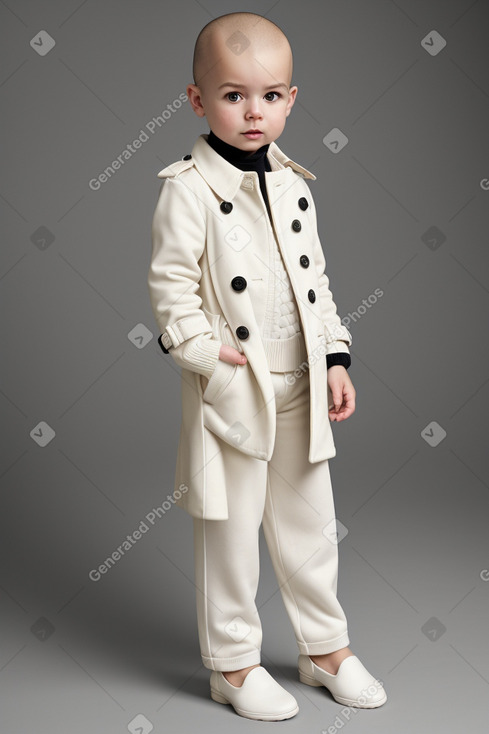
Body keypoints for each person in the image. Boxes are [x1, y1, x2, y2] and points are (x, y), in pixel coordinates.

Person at [148, 11, 387, 721]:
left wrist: (335, 355)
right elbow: (170, 290)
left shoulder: (292, 183)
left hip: (302, 380)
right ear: (196, 100)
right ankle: (233, 664)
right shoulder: (186, 187)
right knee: (230, 531)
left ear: (290, 98)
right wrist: (208, 360)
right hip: (234, 386)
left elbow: (316, 284)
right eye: (232, 95)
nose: (254, 111)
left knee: (311, 524)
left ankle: (324, 649)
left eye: (271, 94)